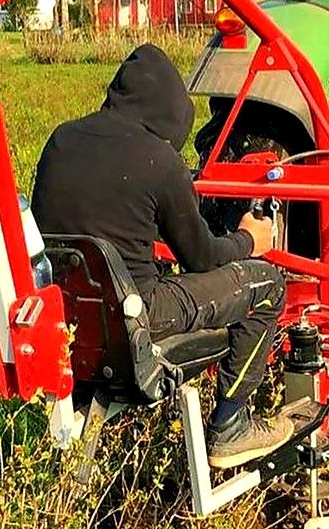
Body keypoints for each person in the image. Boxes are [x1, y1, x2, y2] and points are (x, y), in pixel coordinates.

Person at [32, 44, 294, 469]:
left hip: (73, 315)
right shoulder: (159, 159)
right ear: (173, 112)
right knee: (266, 286)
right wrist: (249, 240)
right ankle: (231, 425)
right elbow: (203, 258)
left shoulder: (61, 140)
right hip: (140, 314)